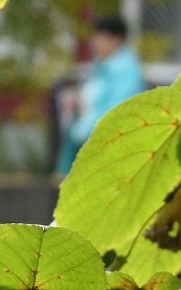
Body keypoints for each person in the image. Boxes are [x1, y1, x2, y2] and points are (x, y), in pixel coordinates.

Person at [54, 16, 146, 176]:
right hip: (86, 137)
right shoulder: (100, 66)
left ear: (117, 39)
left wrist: (83, 130)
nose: (95, 42)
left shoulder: (125, 70)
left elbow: (117, 109)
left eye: (100, 37)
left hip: (107, 142)